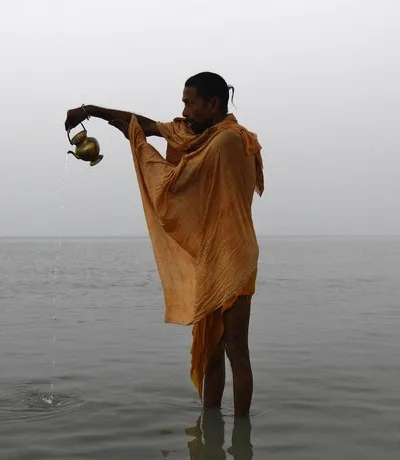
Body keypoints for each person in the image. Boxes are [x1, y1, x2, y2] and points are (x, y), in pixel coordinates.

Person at [64, 72, 264, 417]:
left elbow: (180, 176)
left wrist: (152, 159)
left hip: (234, 254)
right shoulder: (198, 135)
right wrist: (92, 111)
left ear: (212, 104)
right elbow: (146, 126)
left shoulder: (229, 140)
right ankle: (211, 424)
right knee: (212, 350)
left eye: (189, 102)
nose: (184, 110)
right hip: (209, 254)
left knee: (235, 349)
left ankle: (243, 431)